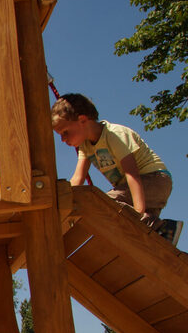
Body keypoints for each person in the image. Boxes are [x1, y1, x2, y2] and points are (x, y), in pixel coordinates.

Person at [51, 93, 180, 244]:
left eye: (65, 132)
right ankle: (163, 231)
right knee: (136, 234)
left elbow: (132, 174)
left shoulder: (114, 135)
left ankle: (160, 225)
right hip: (135, 190)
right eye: (60, 135)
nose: (63, 139)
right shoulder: (85, 147)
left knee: (100, 203)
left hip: (154, 180)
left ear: (82, 120)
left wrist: (138, 212)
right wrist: (61, 202)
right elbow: (77, 179)